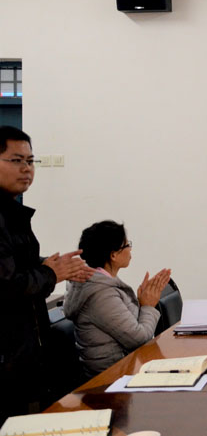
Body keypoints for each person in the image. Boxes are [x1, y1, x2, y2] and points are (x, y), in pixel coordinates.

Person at [0, 126, 93, 424]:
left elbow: (15, 265)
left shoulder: (12, 212)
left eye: (30, 161)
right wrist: (51, 273)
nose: (26, 169)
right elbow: (6, 286)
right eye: (16, 160)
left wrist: (53, 266)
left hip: (23, 351)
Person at [63, 221, 171, 377]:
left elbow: (129, 326)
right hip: (113, 377)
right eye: (127, 245)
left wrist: (142, 302)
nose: (130, 249)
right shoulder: (100, 294)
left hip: (124, 368)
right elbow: (139, 339)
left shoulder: (101, 282)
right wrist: (148, 306)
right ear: (113, 255)